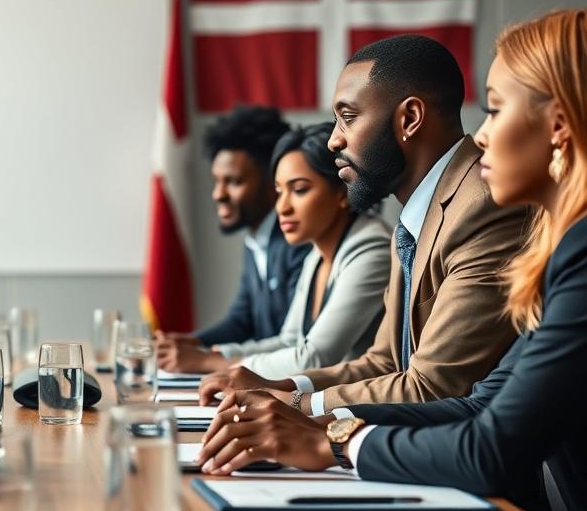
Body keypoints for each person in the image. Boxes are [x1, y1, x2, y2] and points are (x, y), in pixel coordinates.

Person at [196, 10, 587, 511]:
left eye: (494, 111)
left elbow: (454, 408)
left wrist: (335, 437)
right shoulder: (439, 221)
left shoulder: (510, 220)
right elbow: (466, 400)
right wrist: (295, 404)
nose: (482, 136)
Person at [197, 35, 528, 415]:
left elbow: (432, 386)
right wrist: (280, 386)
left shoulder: (485, 206)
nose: (334, 140)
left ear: (409, 119)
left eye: (348, 117)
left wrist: (294, 404)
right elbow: (385, 362)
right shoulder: (411, 218)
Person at [160, 123, 391, 378]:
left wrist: (212, 364)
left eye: (299, 190)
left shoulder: (372, 249)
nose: (282, 207)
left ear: (342, 192)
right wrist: (218, 355)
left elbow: (315, 357)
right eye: (279, 191)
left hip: (360, 410)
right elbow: (289, 341)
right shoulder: (317, 253)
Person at [156, 105, 311, 369]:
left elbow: (297, 344)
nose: (218, 194)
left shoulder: (299, 242)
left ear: (275, 182)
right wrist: (189, 345)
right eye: (217, 181)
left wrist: (208, 357)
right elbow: (242, 320)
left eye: (234, 182)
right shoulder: (256, 239)